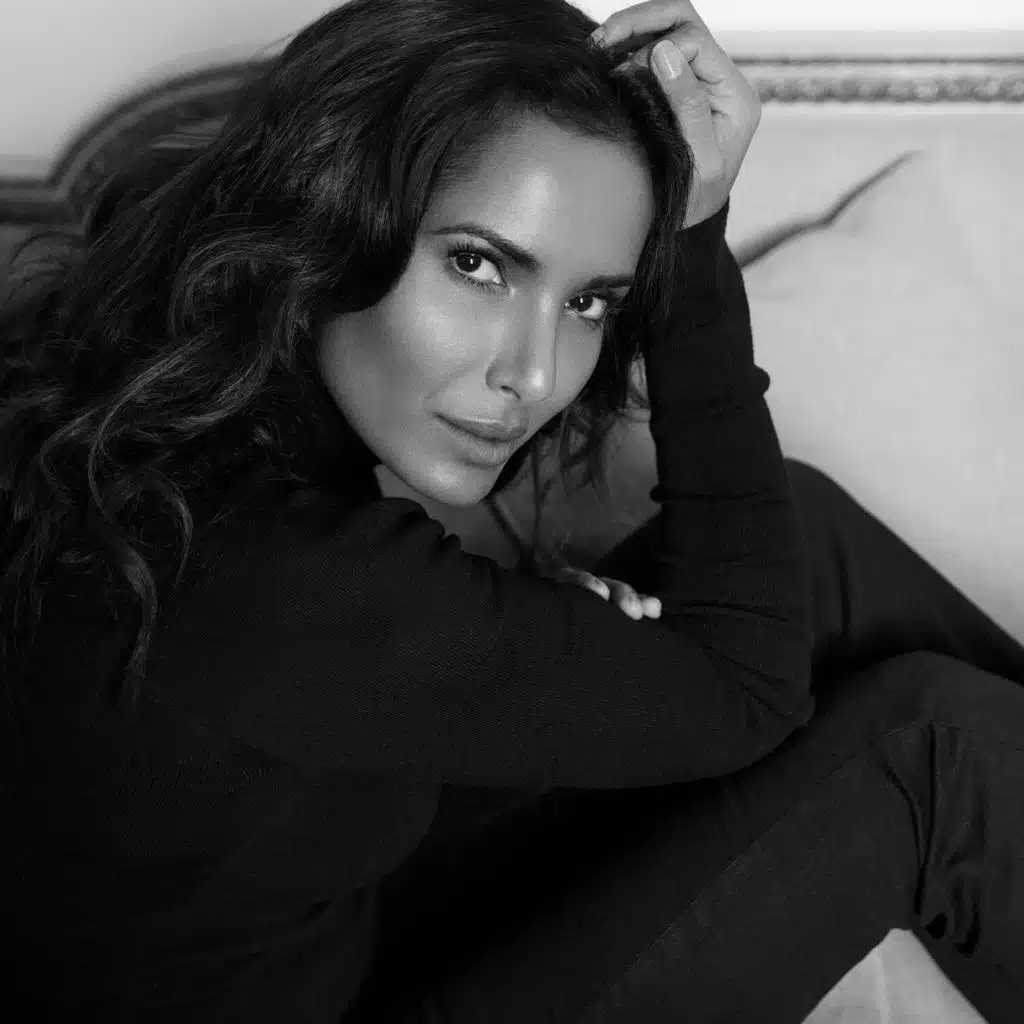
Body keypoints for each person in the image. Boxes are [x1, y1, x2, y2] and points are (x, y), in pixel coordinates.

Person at [2, 0, 1023, 1021]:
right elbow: (748, 689)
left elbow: (304, 721)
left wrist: (519, 655)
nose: (534, 376)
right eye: (478, 264)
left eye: (589, 303)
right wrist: (694, 246)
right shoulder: (276, 575)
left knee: (810, 545)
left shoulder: (159, 422)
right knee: (931, 757)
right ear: (326, 206)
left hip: (326, 935)